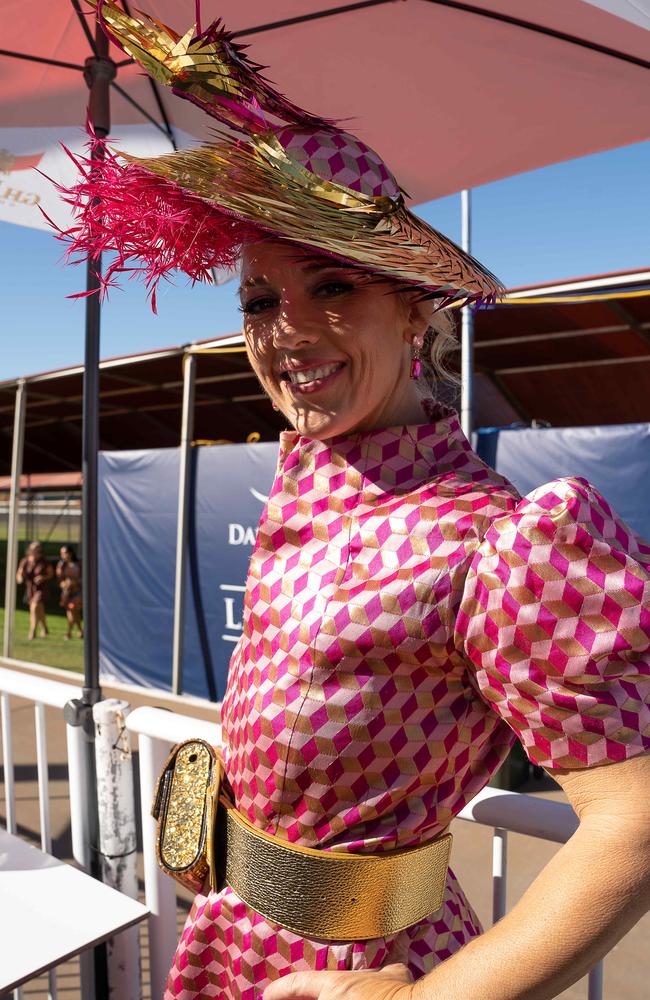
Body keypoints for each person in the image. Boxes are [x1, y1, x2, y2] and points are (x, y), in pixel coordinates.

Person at [61, 5, 650, 999]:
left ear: (412, 306)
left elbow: (633, 818)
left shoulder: (504, 539)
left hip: (353, 972)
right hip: (227, 944)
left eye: (332, 284)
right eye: (258, 298)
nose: (287, 330)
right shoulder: (311, 480)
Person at [16, 541, 54, 640]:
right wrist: (20, 578)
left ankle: (32, 631)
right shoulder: (25, 560)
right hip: (30, 588)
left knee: (34, 607)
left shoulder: (44, 562)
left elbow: (51, 574)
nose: (36, 551)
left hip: (41, 588)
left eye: (38, 549)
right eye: (34, 548)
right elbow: (20, 572)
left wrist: (43, 577)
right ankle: (45, 628)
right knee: (39, 610)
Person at [55, 545, 83, 640]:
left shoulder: (78, 564)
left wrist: (75, 582)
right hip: (67, 592)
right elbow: (59, 579)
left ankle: (69, 632)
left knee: (73, 608)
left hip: (77, 590)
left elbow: (84, 577)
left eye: (65, 553)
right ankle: (80, 630)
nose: (63, 555)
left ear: (70, 553)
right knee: (72, 611)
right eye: (61, 553)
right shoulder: (61, 565)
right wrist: (63, 583)